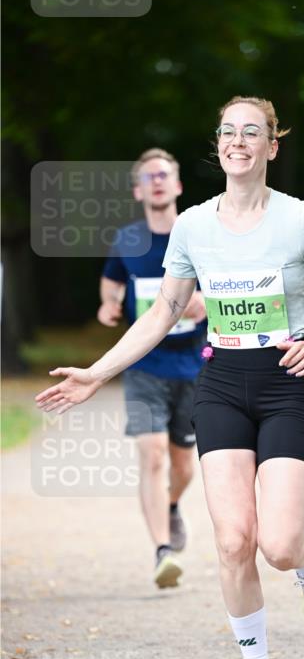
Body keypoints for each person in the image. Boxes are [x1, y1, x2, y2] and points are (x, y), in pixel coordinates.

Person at [36, 96, 304, 659]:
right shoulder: (193, 225)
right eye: (227, 132)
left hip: (286, 382)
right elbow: (163, 312)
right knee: (232, 539)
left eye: (251, 133)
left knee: (276, 543)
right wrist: (98, 372)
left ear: (272, 147)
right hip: (220, 384)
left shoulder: (303, 221)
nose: (237, 141)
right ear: (217, 146)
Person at [98, 148, 207, 589]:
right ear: (138, 190)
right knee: (152, 453)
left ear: (178, 185)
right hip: (144, 366)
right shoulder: (127, 240)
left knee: (184, 467)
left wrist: (208, 304)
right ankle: (163, 552)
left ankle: (172, 506)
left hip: (195, 367)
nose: (158, 182)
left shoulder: (200, 235)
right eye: (149, 177)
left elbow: (234, 284)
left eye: (165, 175)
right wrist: (108, 306)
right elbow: (111, 284)